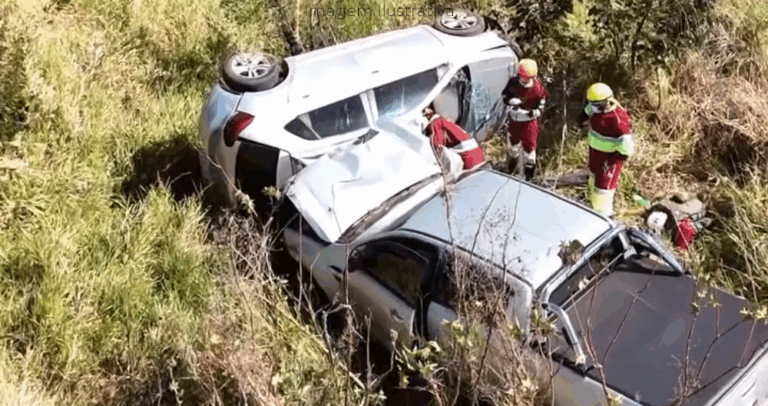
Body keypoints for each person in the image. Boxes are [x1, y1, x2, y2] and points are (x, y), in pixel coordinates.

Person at [578, 82, 635, 217]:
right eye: (591, 104)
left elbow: (626, 146)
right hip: (595, 152)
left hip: (610, 158)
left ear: (607, 102)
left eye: (596, 105)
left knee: (603, 188)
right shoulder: (596, 107)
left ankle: (603, 215)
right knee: (593, 177)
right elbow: (587, 111)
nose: (593, 108)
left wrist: (618, 159)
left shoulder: (618, 121)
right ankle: (591, 203)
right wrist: (582, 120)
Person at [501, 58, 548, 181]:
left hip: (529, 122)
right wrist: (510, 101)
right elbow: (505, 96)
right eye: (522, 77)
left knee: (530, 150)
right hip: (514, 121)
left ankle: (529, 176)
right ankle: (511, 170)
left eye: (527, 78)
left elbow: (542, 106)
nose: (524, 80)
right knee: (513, 147)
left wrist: (533, 112)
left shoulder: (538, 89)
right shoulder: (513, 83)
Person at [422, 105, 485, 171]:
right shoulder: (445, 123)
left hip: (470, 158)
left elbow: (437, 146)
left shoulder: (437, 122)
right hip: (478, 158)